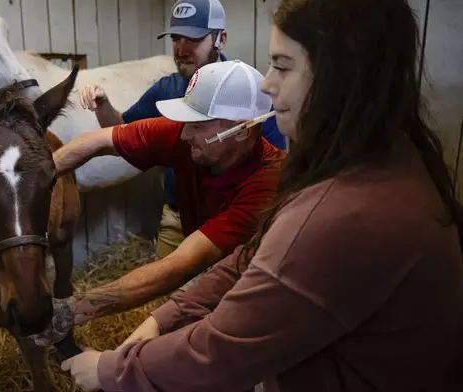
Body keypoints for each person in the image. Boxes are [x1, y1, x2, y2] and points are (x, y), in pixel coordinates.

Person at [59, 0, 463, 391]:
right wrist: (166, 316)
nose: (267, 84)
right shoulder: (376, 164)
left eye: (282, 66)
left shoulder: (336, 212)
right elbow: (251, 258)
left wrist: (111, 368)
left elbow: (219, 350)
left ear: (338, 77)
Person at [33, 60, 286, 347]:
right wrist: (40, 177)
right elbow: (97, 141)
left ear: (240, 130)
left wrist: (74, 309)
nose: (185, 133)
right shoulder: (189, 137)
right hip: (210, 263)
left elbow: (180, 265)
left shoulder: (267, 184)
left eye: (197, 125)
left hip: (252, 285)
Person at [79, 0, 287, 260]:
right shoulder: (167, 88)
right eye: (176, 39)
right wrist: (103, 105)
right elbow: (123, 130)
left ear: (220, 38)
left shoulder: (245, 92)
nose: (181, 50)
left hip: (234, 218)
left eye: (193, 39)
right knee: (167, 289)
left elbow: (276, 167)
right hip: (178, 216)